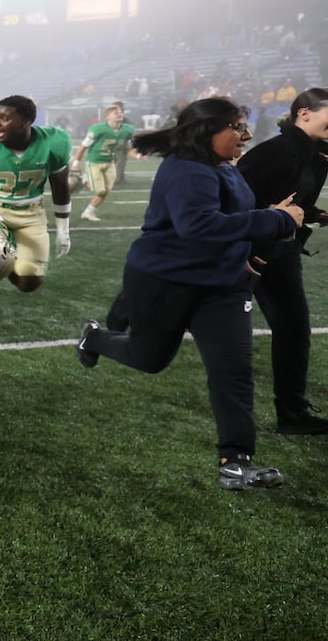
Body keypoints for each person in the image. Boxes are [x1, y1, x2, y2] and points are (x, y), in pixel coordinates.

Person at [76, 99, 300, 489]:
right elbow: (198, 224)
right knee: (148, 359)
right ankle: (93, 337)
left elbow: (226, 217)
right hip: (167, 280)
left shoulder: (221, 167)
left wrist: (256, 239)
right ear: (205, 131)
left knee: (233, 370)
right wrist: (276, 220)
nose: (246, 135)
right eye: (237, 127)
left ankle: (235, 462)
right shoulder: (186, 170)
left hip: (224, 287)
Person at [235, 88, 328, 434]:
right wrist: (265, 218)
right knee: (186, 314)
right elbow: (232, 199)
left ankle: (292, 414)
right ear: (304, 113)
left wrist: (315, 213)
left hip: (281, 252)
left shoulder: (314, 152)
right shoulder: (274, 151)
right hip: (246, 251)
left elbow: (292, 194)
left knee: (293, 329)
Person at [0, 95, 72, 356]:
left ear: (27, 121)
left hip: (31, 213)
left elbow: (61, 187)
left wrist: (63, 229)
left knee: (30, 282)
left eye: (5, 118)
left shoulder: (53, 142)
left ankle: (6, 263)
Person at [75, 103, 135, 222]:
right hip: (94, 162)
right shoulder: (98, 129)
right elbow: (83, 146)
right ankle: (83, 179)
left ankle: (88, 212)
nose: (119, 114)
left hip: (110, 162)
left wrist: (138, 155)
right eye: (115, 113)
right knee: (100, 190)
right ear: (108, 116)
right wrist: (76, 163)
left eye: (120, 112)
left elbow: (127, 148)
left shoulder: (127, 130)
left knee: (105, 191)